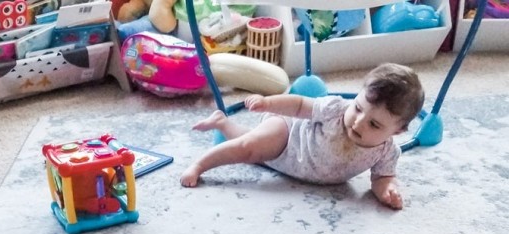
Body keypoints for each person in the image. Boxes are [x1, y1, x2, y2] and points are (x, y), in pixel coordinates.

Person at [180, 63, 425, 210]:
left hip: (291, 163)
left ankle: (222, 123)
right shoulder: (335, 109)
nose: (358, 122)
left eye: (374, 124)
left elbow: (383, 177)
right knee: (248, 147)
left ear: (397, 131)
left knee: (256, 155)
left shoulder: (386, 152)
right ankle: (200, 165)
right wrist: (268, 103)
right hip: (288, 135)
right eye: (358, 108)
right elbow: (299, 105)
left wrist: (387, 191)